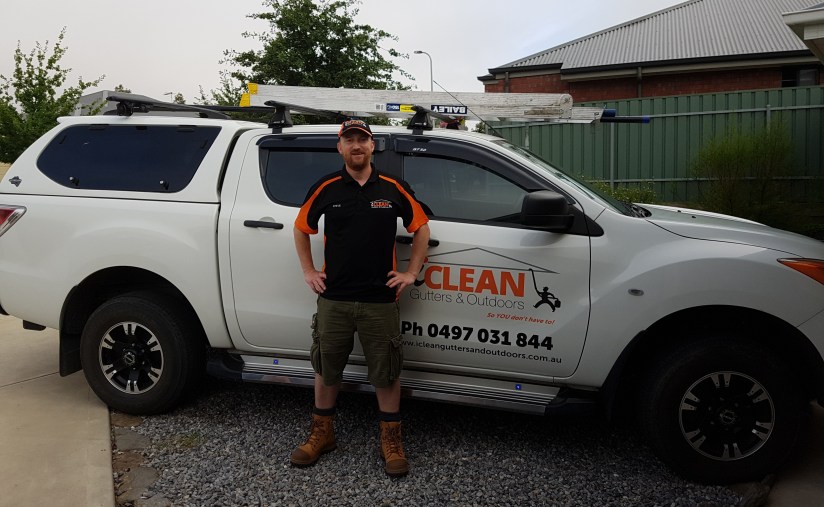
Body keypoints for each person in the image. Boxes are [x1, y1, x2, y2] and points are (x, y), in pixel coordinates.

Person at [291, 118, 430, 477]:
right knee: (326, 368)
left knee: (385, 373)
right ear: (340, 147)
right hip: (334, 297)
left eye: (363, 140)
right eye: (349, 140)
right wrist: (309, 271)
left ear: (372, 147)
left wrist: (411, 273)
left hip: (380, 300)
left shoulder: (393, 187)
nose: (356, 146)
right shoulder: (326, 187)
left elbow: (421, 227)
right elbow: (301, 227)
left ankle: (391, 441)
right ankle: (322, 435)